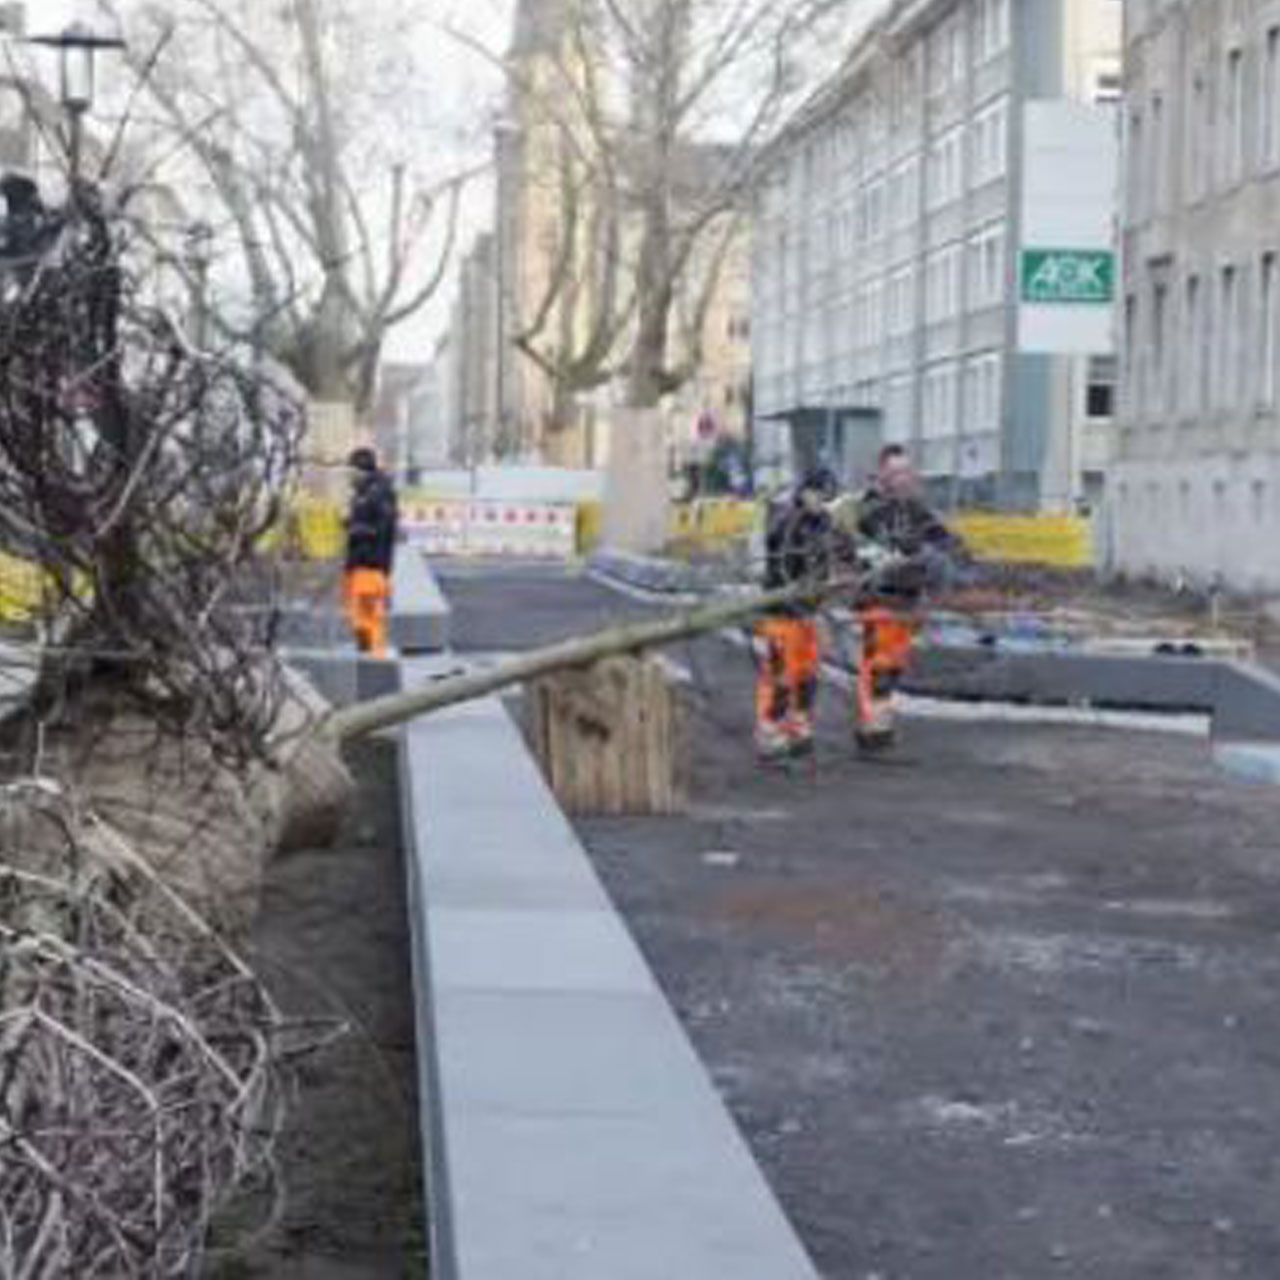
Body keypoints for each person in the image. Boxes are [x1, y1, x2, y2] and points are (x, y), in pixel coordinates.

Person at [854, 444, 965, 750]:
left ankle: (881, 719)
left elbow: (940, 534)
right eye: (895, 473)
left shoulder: (914, 508)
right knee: (878, 662)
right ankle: (871, 727)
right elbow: (865, 544)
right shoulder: (870, 508)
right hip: (879, 597)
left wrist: (952, 546)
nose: (902, 479)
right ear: (882, 475)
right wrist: (904, 550)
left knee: (894, 663)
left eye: (906, 472)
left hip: (907, 599)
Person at [755, 466, 851, 760]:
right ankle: (771, 730)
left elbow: (842, 550)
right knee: (781, 675)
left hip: (809, 612)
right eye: (819, 495)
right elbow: (781, 565)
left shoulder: (823, 521)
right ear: (805, 491)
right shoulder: (786, 521)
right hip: (783, 612)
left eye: (827, 497)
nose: (822, 501)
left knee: (807, 674)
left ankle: (799, 725)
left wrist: (853, 564)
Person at [344, 447, 399, 657]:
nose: (349, 476)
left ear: (360, 470)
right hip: (361, 563)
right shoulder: (365, 492)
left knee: (370, 615)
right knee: (360, 615)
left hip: (370, 563)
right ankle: (366, 654)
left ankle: (374, 658)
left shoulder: (378, 493)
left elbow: (383, 528)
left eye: (351, 471)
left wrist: (357, 529)